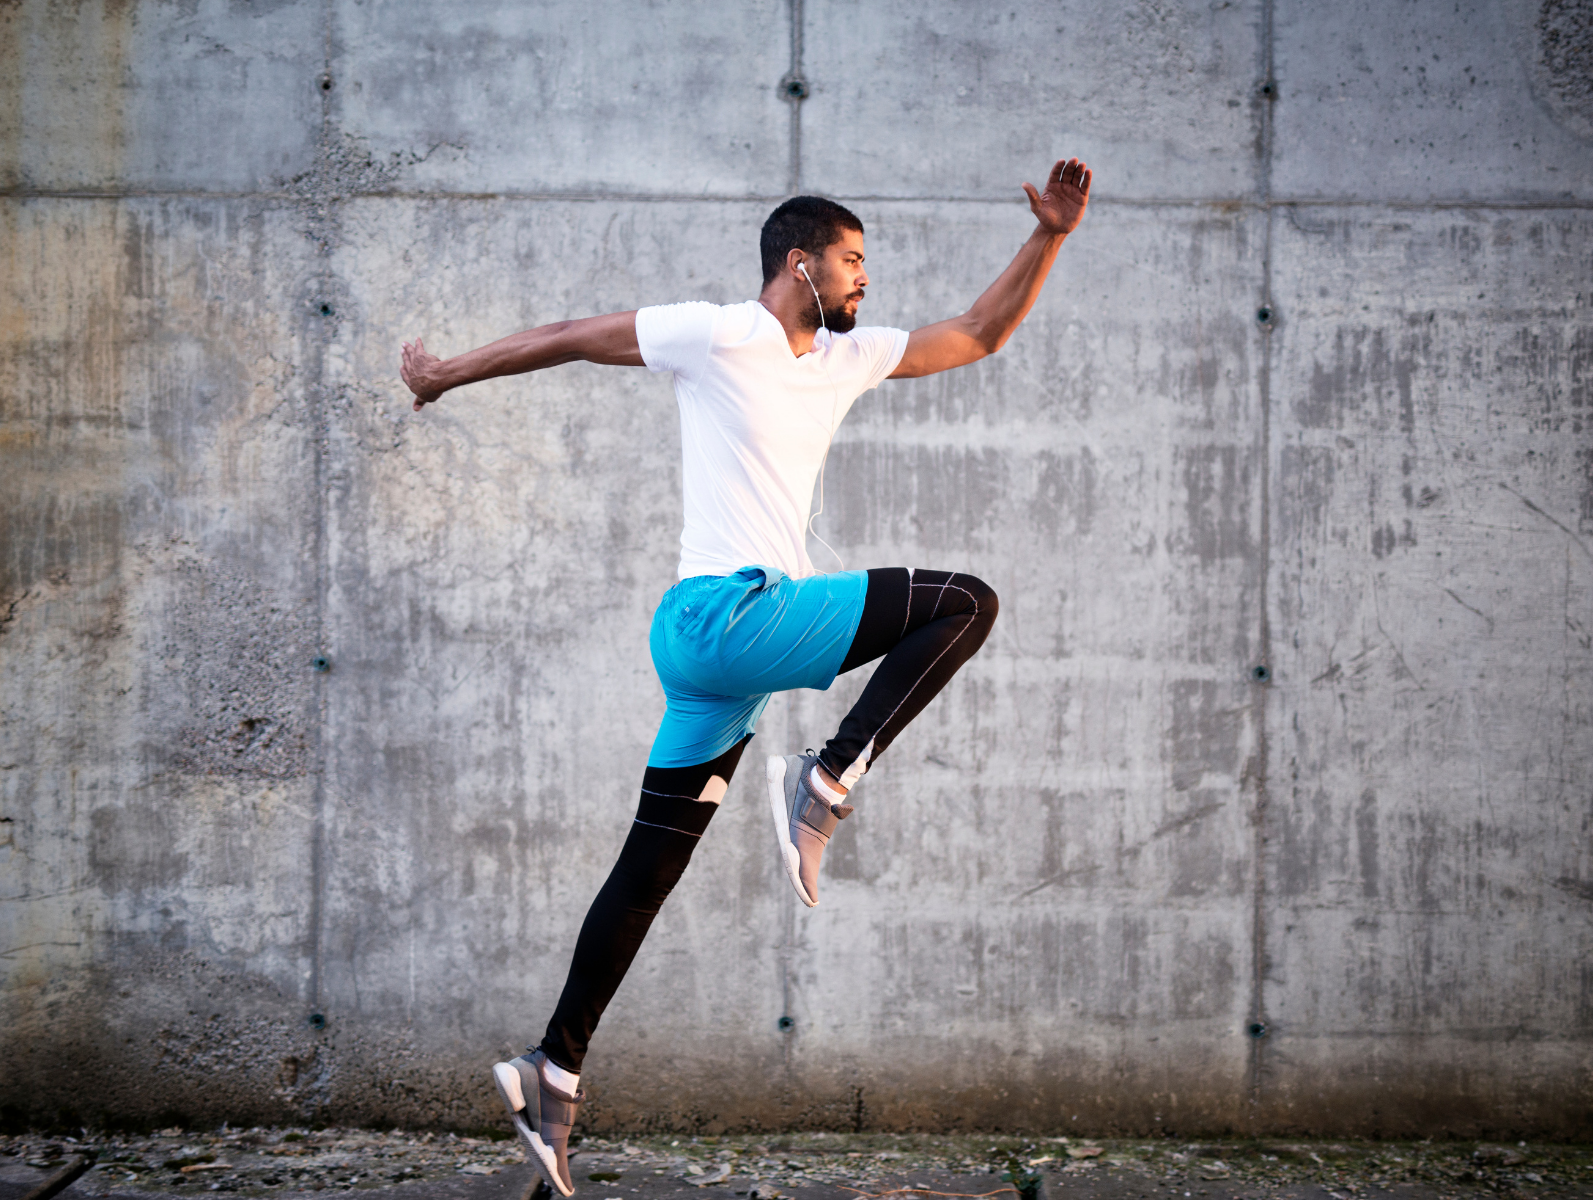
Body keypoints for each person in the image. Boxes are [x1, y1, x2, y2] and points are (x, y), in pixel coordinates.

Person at [398, 157, 1092, 1195]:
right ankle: (829, 774)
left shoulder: (841, 363)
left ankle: (553, 1065)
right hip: (726, 613)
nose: (866, 281)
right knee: (965, 601)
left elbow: (980, 333)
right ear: (800, 264)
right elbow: (567, 339)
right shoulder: (718, 331)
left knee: (650, 869)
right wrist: (445, 371)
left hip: (715, 661)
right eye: (853, 261)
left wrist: (1050, 238)